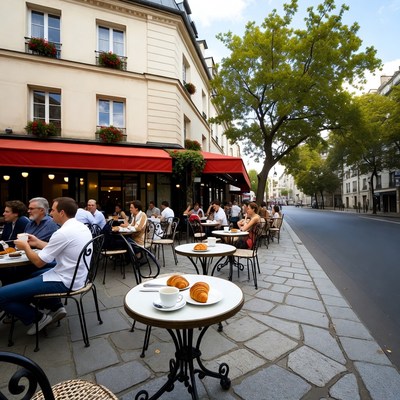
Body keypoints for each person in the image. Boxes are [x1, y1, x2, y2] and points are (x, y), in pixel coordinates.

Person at [0, 197, 92, 335]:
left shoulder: (62, 232)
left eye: (53, 210)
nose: (50, 214)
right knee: (28, 276)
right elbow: (55, 247)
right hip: (79, 276)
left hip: (66, 280)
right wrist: (36, 242)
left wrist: (25, 246)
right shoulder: (79, 227)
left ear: (61, 212)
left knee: (2, 295)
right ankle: (54, 307)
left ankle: (38, 318)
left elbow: (38, 262)